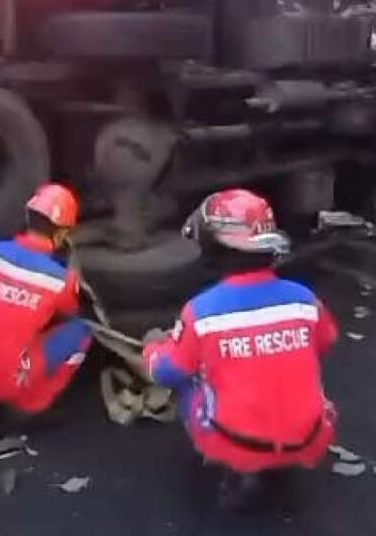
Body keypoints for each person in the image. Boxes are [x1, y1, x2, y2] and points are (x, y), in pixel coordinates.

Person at [142, 188, 338, 510]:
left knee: (187, 382)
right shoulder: (304, 298)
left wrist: (153, 347)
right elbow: (324, 341)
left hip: (237, 444)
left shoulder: (201, 312)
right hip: (312, 436)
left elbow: (165, 372)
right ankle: (285, 454)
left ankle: (241, 470)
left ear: (215, 247)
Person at [0, 183, 93, 419]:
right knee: (81, 331)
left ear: (27, 217)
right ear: (62, 233)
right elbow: (69, 313)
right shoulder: (59, 280)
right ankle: (29, 407)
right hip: (3, 381)